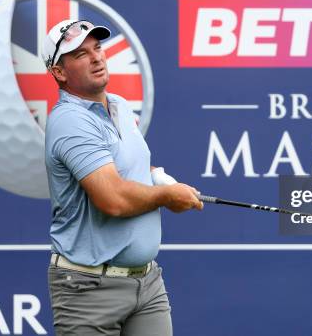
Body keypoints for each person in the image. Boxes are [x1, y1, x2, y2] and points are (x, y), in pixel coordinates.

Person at [41, 19, 203, 336]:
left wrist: (162, 180)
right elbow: (112, 199)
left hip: (147, 282)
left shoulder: (120, 106)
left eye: (97, 48)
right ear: (59, 72)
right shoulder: (69, 121)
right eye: (80, 55)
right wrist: (169, 198)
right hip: (88, 289)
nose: (97, 58)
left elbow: (131, 170)